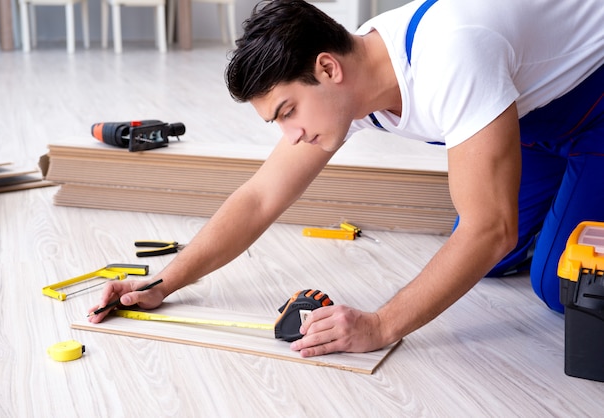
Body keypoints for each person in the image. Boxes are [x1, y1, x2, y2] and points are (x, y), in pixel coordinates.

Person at [89, 0, 604, 357]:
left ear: (328, 68)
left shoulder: (453, 56)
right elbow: (260, 197)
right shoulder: (356, 78)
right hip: (528, 114)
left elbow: (491, 230)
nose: (290, 134)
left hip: (594, 103)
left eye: (289, 111)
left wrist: (381, 324)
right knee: (489, 263)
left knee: (559, 284)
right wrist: (162, 281)